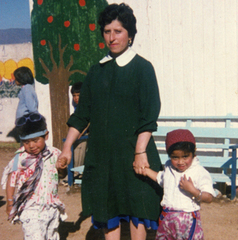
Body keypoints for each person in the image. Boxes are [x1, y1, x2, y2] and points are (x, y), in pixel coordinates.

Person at [57, 3, 163, 240]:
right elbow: (82, 114)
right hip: (102, 157)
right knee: (107, 210)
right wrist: (67, 147)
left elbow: (150, 114)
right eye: (107, 31)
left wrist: (139, 151)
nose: (112, 37)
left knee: (138, 210)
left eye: (118, 31)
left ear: (130, 35)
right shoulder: (96, 71)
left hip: (134, 153)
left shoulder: (142, 68)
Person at [1, 112, 67, 240]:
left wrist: (62, 168)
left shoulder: (54, 154)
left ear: (46, 136)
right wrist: (10, 203)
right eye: (26, 142)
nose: (31, 146)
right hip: (30, 207)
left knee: (51, 236)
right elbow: (11, 180)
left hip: (51, 207)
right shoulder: (20, 158)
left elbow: (61, 176)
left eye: (35, 140)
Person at [140, 129, 216, 240]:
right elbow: (159, 178)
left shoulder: (199, 172)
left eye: (185, 156)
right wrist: (145, 170)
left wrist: (193, 190)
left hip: (187, 219)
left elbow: (209, 197)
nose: (180, 162)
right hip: (167, 217)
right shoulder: (169, 168)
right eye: (175, 157)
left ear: (193, 154)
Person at [71, 82, 87, 168]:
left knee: (80, 146)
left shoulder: (86, 106)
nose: (76, 98)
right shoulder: (77, 107)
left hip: (85, 134)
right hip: (78, 133)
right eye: (74, 96)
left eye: (78, 95)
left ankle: (76, 172)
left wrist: (82, 132)